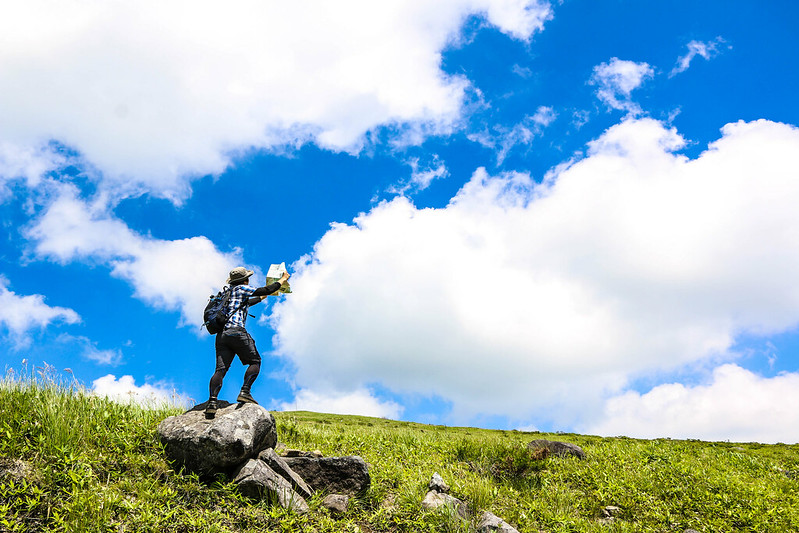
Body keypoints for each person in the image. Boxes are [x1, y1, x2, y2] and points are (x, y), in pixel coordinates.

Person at [205, 266, 290, 419]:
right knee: (255, 361)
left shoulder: (228, 293)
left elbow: (251, 301)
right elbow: (263, 290)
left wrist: (265, 296)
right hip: (236, 331)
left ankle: (212, 402)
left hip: (221, 336)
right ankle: (245, 392)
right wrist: (282, 280)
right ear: (245, 280)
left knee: (220, 370)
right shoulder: (241, 289)